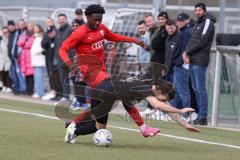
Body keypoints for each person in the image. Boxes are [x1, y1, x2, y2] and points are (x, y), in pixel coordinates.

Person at [59, 4, 161, 140]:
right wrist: (70, 64)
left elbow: (113, 36)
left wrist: (134, 40)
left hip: (103, 74)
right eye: (95, 19)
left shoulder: (101, 28)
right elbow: (62, 49)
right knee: (123, 91)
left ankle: (73, 128)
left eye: (100, 19)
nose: (98, 22)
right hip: (92, 76)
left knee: (99, 124)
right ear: (87, 17)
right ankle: (144, 128)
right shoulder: (80, 32)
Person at [63, 76, 200, 144]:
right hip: (103, 92)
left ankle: (72, 125)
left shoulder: (150, 85)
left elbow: (167, 109)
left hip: (106, 90)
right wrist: (181, 110)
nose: (164, 101)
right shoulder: (145, 88)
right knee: (99, 126)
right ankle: (72, 131)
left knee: (97, 121)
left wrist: (185, 125)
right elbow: (159, 106)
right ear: (159, 90)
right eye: (164, 98)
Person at [183, 2, 216, 125]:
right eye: (196, 10)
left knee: (200, 89)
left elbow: (203, 41)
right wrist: (186, 53)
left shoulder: (208, 22)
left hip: (200, 60)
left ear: (204, 10)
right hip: (193, 59)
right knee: (196, 89)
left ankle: (203, 116)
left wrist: (187, 51)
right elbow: (193, 40)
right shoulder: (199, 23)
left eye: (200, 10)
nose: (197, 12)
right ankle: (199, 116)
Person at [17, 22, 35, 96]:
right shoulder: (24, 34)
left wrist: (24, 43)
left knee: (31, 74)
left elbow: (31, 44)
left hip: (30, 55)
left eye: (31, 26)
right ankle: (27, 90)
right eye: (29, 26)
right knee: (26, 74)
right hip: (24, 56)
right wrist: (24, 42)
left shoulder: (34, 35)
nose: (29, 27)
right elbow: (19, 43)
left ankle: (31, 90)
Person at [30, 24, 46, 98]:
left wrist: (34, 52)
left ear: (40, 29)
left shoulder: (42, 37)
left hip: (40, 60)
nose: (35, 30)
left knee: (39, 78)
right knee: (36, 78)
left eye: (37, 28)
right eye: (35, 28)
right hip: (35, 60)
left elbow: (43, 47)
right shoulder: (36, 37)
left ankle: (40, 92)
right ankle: (37, 91)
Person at [0, 27, 12, 93]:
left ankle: (9, 86)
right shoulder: (1, 40)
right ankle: (4, 85)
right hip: (2, 59)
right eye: (4, 32)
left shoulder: (10, 39)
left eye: (6, 32)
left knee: (8, 73)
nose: (5, 34)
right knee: (2, 73)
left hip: (8, 59)